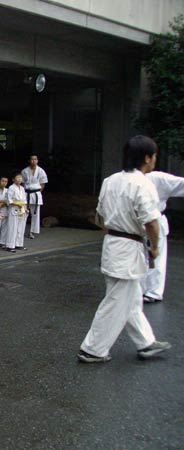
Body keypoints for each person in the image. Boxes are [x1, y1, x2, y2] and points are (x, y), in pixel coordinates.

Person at [78, 135, 171, 363]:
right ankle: (93, 349)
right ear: (146, 158)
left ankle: (145, 342)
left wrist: (113, 231)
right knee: (117, 300)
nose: (155, 159)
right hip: (129, 246)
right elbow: (151, 222)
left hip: (113, 242)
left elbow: (100, 216)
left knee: (131, 298)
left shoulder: (110, 181)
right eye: (154, 156)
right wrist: (155, 248)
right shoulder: (143, 184)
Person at [141, 171, 184, 303]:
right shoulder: (127, 178)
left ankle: (153, 291)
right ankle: (140, 289)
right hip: (136, 221)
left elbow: (180, 184)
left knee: (155, 258)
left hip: (154, 219)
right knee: (139, 257)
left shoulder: (157, 178)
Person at [21, 155, 48, 239]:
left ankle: (32, 232)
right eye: (32, 159)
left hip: (36, 193)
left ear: (37, 161)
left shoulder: (41, 171)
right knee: (24, 212)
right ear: (29, 161)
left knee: (35, 214)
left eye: (35, 159)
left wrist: (38, 193)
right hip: (26, 193)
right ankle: (21, 231)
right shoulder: (24, 171)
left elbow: (42, 184)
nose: (33, 161)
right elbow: (22, 183)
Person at [5, 172, 28, 253]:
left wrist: (25, 208)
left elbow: (24, 200)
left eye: (20, 177)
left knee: (21, 227)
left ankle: (19, 244)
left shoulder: (22, 188)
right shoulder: (11, 188)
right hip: (14, 208)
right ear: (13, 179)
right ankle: (10, 245)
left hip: (22, 209)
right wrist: (18, 204)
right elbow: (9, 200)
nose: (19, 179)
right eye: (17, 177)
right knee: (13, 227)